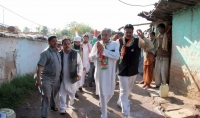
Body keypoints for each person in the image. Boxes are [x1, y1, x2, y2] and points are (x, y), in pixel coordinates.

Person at [116, 24, 154, 118]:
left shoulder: (137, 41)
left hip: (133, 71)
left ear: (133, 32)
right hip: (122, 71)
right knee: (124, 92)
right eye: (127, 32)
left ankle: (119, 102)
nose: (128, 34)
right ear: (124, 32)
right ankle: (126, 114)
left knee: (128, 91)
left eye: (130, 32)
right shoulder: (118, 41)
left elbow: (151, 46)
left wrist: (143, 37)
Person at [89, 28, 120, 118]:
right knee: (102, 93)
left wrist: (104, 51)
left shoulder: (114, 44)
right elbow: (91, 57)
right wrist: (98, 54)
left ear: (110, 35)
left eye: (106, 35)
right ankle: (104, 114)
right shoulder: (97, 44)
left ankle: (102, 105)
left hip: (110, 72)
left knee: (110, 93)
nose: (103, 36)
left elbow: (117, 56)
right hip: (100, 72)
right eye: (102, 35)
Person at [36, 36, 61, 118]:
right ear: (49, 42)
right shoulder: (45, 53)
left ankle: (53, 106)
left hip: (56, 78)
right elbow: (39, 67)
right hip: (47, 78)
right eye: (53, 41)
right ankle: (44, 115)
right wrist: (38, 80)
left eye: (56, 41)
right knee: (46, 96)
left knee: (54, 94)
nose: (55, 42)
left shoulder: (57, 51)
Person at [59, 38, 83, 114]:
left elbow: (80, 65)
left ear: (71, 44)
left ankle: (71, 102)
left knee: (72, 92)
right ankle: (62, 108)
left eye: (68, 43)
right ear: (62, 45)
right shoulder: (59, 54)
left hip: (72, 77)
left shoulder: (75, 53)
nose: (67, 45)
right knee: (62, 93)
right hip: (62, 77)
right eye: (65, 44)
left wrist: (79, 74)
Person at [154, 23, 171, 88]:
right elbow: (156, 47)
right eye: (158, 29)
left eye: (160, 28)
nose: (159, 30)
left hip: (165, 57)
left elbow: (170, 46)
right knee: (157, 71)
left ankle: (164, 85)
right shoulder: (158, 37)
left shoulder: (168, 36)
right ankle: (158, 84)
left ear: (163, 28)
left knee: (163, 71)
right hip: (158, 56)